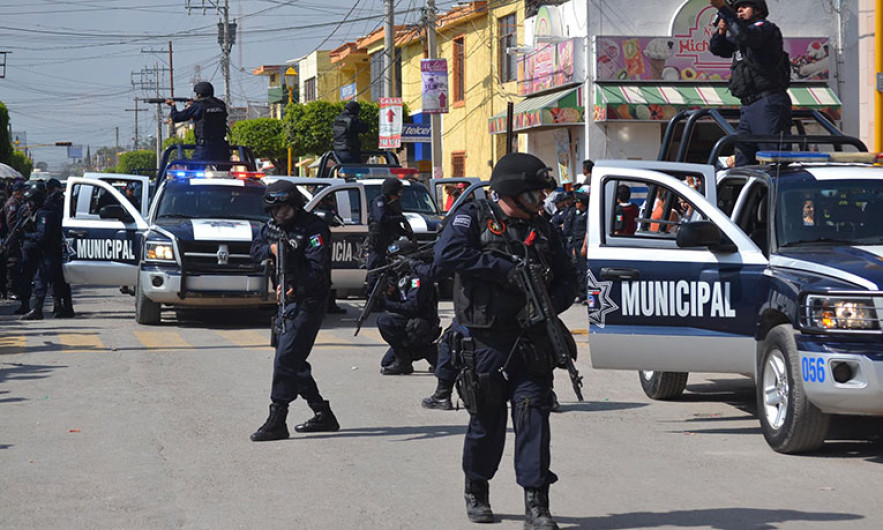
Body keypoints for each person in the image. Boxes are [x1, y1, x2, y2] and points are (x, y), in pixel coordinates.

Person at [433, 152, 577, 529]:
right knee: (487, 421)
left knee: (533, 418)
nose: (539, 203)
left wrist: (546, 305)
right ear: (512, 193)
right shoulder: (474, 217)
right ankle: (476, 488)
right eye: (532, 196)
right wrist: (504, 272)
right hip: (485, 340)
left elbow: (568, 280)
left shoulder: (544, 229)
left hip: (532, 339)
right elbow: (446, 254)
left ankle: (536, 502)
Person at [249, 180, 340, 442]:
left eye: (285, 210)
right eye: (275, 211)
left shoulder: (313, 228)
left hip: (309, 301)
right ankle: (322, 413)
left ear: (295, 206)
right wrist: (272, 250)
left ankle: (278, 418)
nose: (280, 215)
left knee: (285, 359)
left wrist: (294, 288)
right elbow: (255, 249)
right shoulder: (271, 228)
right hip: (285, 303)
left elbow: (318, 269)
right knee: (293, 360)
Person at [709, 0, 791, 166]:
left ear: (758, 10)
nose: (739, 11)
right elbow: (719, 48)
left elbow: (746, 36)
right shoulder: (742, 37)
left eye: (744, 7)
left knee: (773, 161)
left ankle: (776, 191)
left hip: (767, 103)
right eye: (737, 9)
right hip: (749, 106)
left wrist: (725, 9)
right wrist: (722, 30)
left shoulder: (765, 29)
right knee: (743, 160)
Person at [376, 237, 441, 375]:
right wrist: (388, 292)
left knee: (384, 321)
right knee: (386, 363)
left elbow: (412, 307)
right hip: (411, 322)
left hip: (422, 324)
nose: (393, 262)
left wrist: (386, 303)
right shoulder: (402, 275)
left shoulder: (418, 277)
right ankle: (427, 351)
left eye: (396, 258)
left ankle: (405, 361)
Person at [17, 183, 60, 320]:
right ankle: (31, 306)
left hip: (47, 250)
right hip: (39, 250)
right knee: (35, 277)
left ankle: (38, 309)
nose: (29, 204)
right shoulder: (36, 210)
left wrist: (26, 236)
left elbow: (42, 235)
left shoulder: (44, 212)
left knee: (41, 280)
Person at [365, 177, 413, 294]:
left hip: (387, 243)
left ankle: (382, 296)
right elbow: (382, 218)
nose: (400, 194)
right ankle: (370, 296)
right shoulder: (379, 201)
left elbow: (395, 225)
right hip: (378, 242)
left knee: (386, 271)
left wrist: (406, 233)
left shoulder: (392, 204)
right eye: (398, 191)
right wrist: (399, 218)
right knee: (375, 270)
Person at [166, 81, 231, 162]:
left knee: (193, 171)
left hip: (204, 146)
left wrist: (173, 106)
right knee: (223, 172)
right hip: (221, 146)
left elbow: (176, 117)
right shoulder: (220, 104)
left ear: (199, 94)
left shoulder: (198, 105)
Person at [44, 178, 75, 318]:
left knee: (56, 278)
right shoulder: (65, 202)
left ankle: (60, 307)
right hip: (62, 243)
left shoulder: (51, 203)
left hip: (55, 244)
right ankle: (65, 307)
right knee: (62, 279)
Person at [2, 181, 26, 305]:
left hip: (16, 238)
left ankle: (15, 289)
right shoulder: (12, 203)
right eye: (22, 191)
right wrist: (18, 234)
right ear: (17, 191)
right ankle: (11, 290)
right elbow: (11, 223)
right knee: (12, 263)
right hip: (12, 239)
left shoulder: (18, 202)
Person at [567, 191, 589, 304]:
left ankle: (586, 294)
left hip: (582, 243)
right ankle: (580, 293)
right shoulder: (575, 214)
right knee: (578, 270)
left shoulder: (587, 215)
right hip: (575, 243)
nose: (576, 204)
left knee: (584, 270)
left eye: (578, 202)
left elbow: (587, 232)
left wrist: (584, 246)